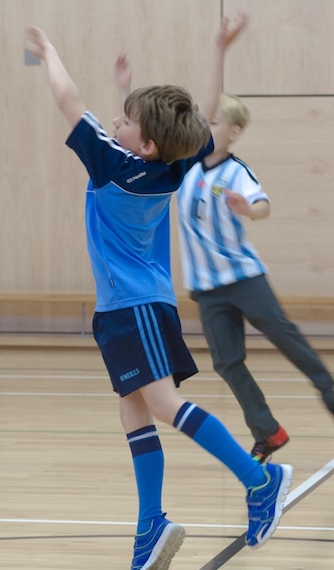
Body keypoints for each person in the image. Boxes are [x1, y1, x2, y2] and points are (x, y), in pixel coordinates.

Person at [25, 17, 292, 570]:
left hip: (134, 307)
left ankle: (260, 479)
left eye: (124, 119)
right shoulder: (172, 161)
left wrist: (50, 50)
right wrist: (216, 50)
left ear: (142, 142)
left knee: (164, 405)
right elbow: (200, 121)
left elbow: (68, 99)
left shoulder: (113, 165)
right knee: (133, 410)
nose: (114, 121)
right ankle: (152, 524)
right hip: (134, 305)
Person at [177, 92, 334, 464]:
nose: (207, 127)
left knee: (285, 337)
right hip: (207, 289)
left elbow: (262, 206)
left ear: (234, 132)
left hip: (245, 278)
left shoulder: (237, 171)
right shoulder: (184, 167)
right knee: (227, 362)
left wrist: (249, 209)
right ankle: (268, 431)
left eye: (215, 122)